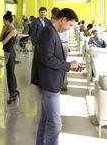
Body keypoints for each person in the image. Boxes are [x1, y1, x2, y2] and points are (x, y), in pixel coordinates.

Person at [31, 8, 81, 145]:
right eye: (70, 25)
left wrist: (69, 66)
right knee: (55, 124)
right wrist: (68, 65)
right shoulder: (48, 32)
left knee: (45, 120)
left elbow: (51, 57)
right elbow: (47, 59)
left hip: (49, 81)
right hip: (49, 83)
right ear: (63, 19)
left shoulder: (50, 31)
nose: (69, 29)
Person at [0, 11, 19, 104]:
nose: (3, 23)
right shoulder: (6, 29)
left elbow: (3, 42)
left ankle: (12, 93)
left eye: (4, 21)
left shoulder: (13, 31)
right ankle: (14, 90)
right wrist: (3, 30)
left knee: (10, 72)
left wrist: (4, 33)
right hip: (6, 52)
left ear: (8, 21)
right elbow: (0, 39)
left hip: (10, 52)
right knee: (10, 72)